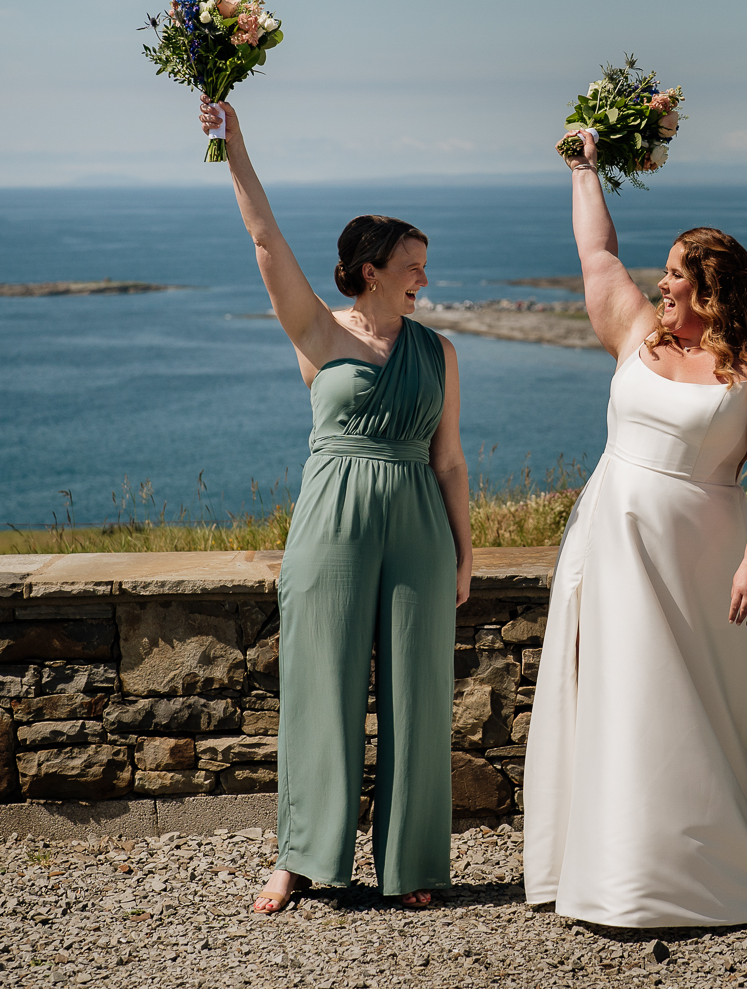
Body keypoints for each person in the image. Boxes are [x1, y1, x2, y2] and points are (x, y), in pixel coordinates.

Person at [522, 130, 747, 927]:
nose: (662, 281)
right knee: (620, 691)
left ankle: (692, 860)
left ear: (710, 287)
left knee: (685, 705)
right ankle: (610, 862)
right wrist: (584, 168)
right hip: (611, 544)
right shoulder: (636, 333)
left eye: (676, 272)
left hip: (702, 558)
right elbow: (598, 255)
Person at [200, 98, 473, 915]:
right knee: (319, 687)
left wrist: (467, 552)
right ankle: (299, 858)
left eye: (426, 262)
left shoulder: (439, 351)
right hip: (332, 521)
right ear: (368, 269)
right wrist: (232, 142)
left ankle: (412, 861)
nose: (425, 276)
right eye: (413, 264)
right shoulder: (317, 333)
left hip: (420, 523)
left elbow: (451, 459)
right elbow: (264, 240)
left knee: (419, 693)